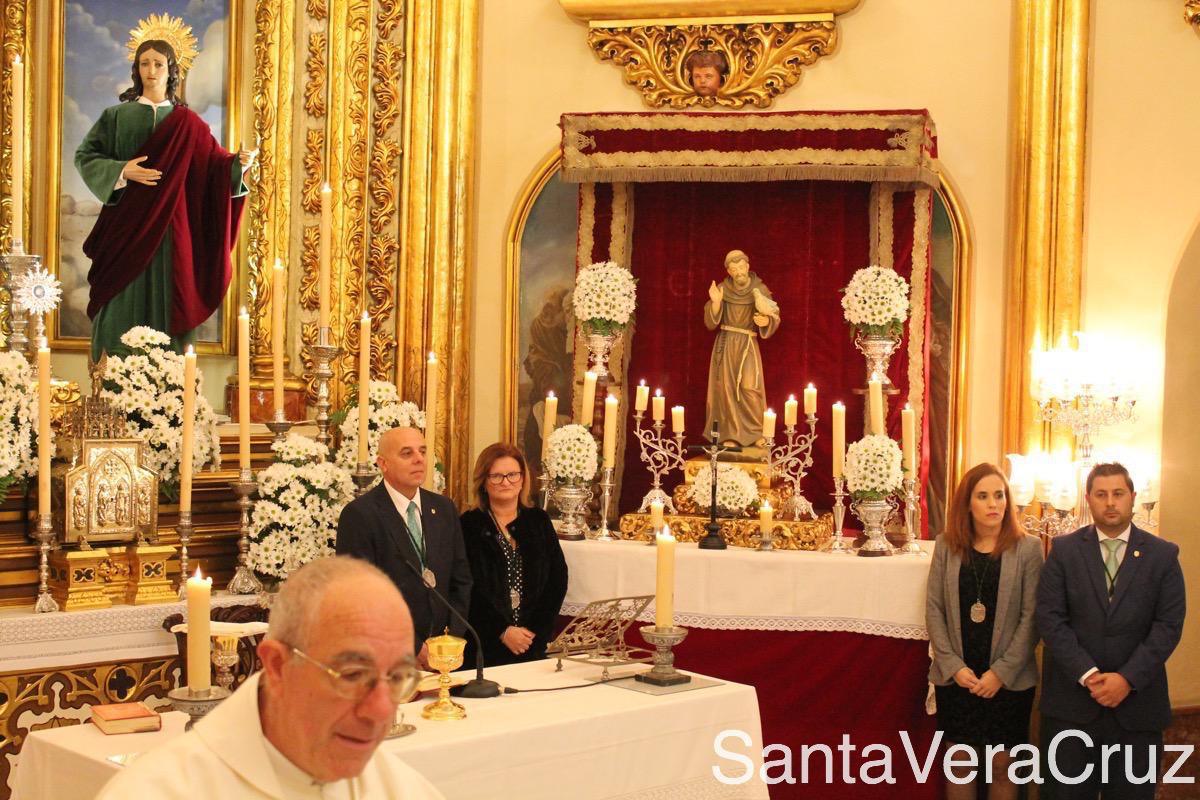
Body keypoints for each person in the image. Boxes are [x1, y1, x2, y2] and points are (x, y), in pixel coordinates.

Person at [97, 557, 444, 799]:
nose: (381, 711)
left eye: (398, 677)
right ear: (277, 665)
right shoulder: (159, 791)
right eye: (353, 675)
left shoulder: (400, 789)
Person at [75, 36, 254, 360]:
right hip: (126, 227)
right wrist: (122, 170)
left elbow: (213, 167)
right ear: (136, 69)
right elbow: (86, 156)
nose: (151, 70)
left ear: (171, 70)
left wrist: (236, 166)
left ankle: (170, 385)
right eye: (145, 63)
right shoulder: (116, 117)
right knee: (119, 302)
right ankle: (112, 381)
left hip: (173, 230)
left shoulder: (190, 124)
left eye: (158, 64)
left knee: (171, 302)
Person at [1036, 462, 1186, 799]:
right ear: (1088, 499)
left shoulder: (1163, 555)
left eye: (1118, 493)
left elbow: (1168, 626)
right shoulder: (1064, 551)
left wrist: (1126, 679)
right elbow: (1050, 619)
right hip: (1072, 709)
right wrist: (1088, 674)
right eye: (1101, 494)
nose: (1110, 502)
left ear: (1132, 497)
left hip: (1137, 709)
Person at [926, 463, 1044, 800]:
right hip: (958, 678)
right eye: (983, 496)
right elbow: (934, 609)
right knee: (960, 763)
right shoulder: (946, 545)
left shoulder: (1028, 548)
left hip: (1008, 681)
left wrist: (1000, 673)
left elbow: (1032, 618)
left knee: (1002, 765)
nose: (993, 503)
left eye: (999, 495)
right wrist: (954, 666)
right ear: (967, 504)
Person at [336, 427, 472, 668]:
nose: (419, 459)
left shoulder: (443, 508)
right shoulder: (360, 515)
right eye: (407, 453)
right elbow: (361, 598)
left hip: (443, 653)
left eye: (422, 451)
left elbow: (461, 580)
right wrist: (413, 647)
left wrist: (449, 642)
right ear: (383, 464)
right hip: (389, 657)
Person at [459, 443, 568, 666]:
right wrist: (502, 631)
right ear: (484, 481)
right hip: (484, 646)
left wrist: (534, 632)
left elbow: (557, 580)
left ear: (523, 479)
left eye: (512, 475)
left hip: (532, 643)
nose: (506, 482)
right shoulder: (468, 525)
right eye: (496, 476)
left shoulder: (539, 521)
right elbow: (465, 586)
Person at [703, 249, 780, 446]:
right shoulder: (723, 289)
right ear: (729, 271)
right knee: (726, 389)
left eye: (741, 267)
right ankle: (730, 435)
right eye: (733, 269)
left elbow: (774, 314)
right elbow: (710, 322)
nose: (738, 272)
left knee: (749, 387)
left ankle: (756, 433)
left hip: (748, 344)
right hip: (726, 343)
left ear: (748, 266)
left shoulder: (759, 288)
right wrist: (716, 303)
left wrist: (766, 321)